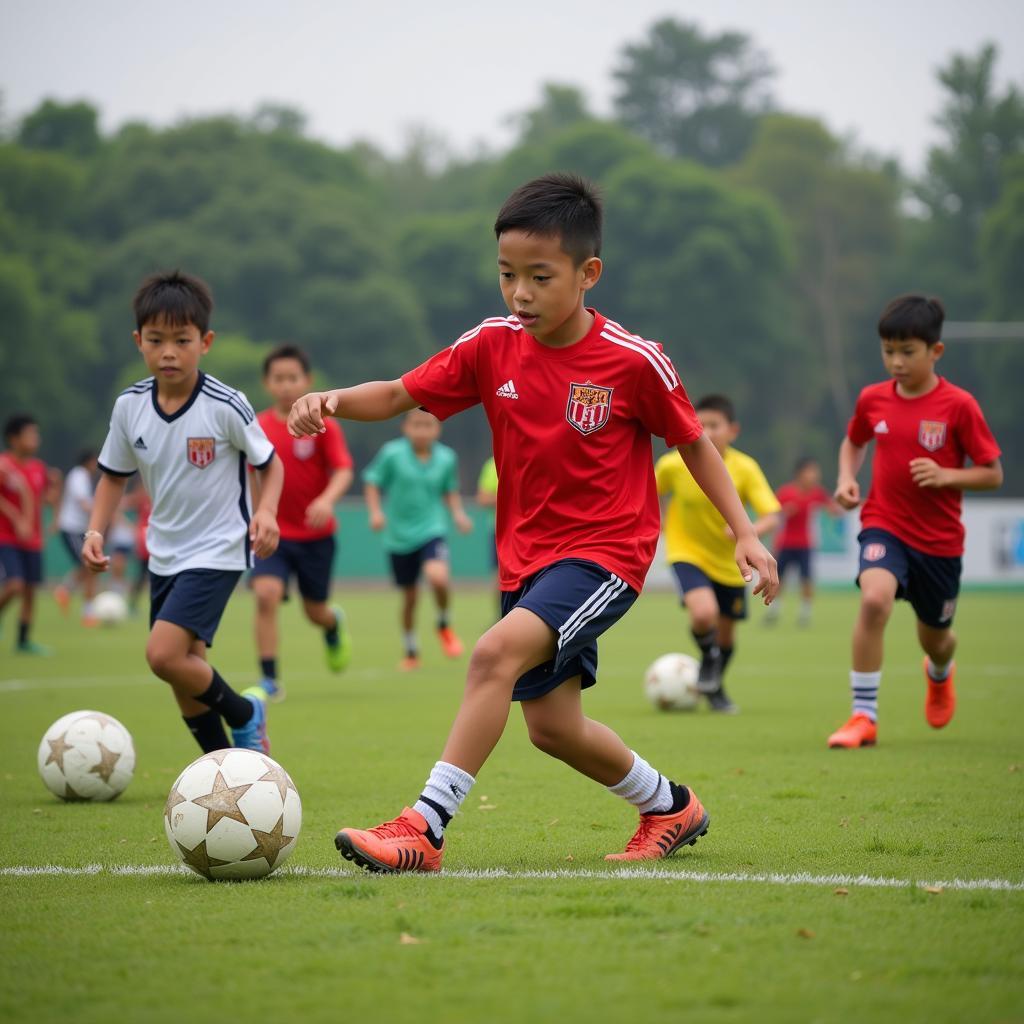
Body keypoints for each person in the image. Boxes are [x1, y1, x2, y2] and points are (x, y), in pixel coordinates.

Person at [289, 173, 778, 872]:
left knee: (490, 655)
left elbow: (693, 440)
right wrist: (331, 400)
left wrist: (745, 532)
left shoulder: (634, 361)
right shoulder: (491, 345)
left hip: (606, 556)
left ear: (588, 274)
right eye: (507, 274)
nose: (520, 293)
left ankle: (423, 829)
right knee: (552, 727)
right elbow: (400, 393)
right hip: (527, 559)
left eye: (540, 277)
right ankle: (671, 806)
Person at [82, 270, 283, 755]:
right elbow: (113, 475)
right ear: (138, 341)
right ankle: (219, 764)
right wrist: (95, 530)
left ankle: (245, 712)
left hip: (218, 549)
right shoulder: (130, 407)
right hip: (164, 552)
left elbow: (269, 463)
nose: (168, 351)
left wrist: (267, 513)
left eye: (181, 340)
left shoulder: (224, 404)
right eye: (156, 340)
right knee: (183, 668)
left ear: (205, 341)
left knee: (162, 655)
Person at [827, 294, 1002, 749]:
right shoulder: (873, 399)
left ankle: (940, 673)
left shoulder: (959, 406)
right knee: (874, 601)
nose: (896, 362)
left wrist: (948, 475)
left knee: (936, 639)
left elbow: (992, 472)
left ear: (935, 351)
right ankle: (863, 717)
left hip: (940, 543)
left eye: (908, 352)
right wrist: (847, 477)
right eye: (888, 351)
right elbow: (853, 442)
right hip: (884, 523)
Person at [655, 394, 781, 714]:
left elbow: (771, 514)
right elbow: (644, 492)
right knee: (703, 614)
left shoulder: (745, 468)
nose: (708, 431)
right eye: (702, 424)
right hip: (688, 552)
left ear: (733, 430)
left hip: (731, 562)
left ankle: (716, 686)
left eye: (715, 425)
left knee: (725, 634)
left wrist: (749, 529)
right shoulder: (673, 463)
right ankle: (709, 662)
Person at [251, 344, 354, 702]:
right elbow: (250, 475)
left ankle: (332, 624)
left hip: (315, 537)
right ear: (267, 383)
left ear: (307, 381)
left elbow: (343, 470)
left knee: (315, 611)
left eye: (292, 378)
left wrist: (326, 500)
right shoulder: (256, 427)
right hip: (273, 534)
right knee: (266, 596)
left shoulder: (323, 424)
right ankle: (269, 680)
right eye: (277, 379)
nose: (285, 386)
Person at [363, 409, 472, 670]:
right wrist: (376, 512)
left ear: (438, 429)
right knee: (410, 597)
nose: (422, 430)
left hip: (432, 529)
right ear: (405, 427)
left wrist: (458, 514)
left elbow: (449, 490)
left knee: (438, 578)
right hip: (399, 537)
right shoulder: (392, 454)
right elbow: (372, 481)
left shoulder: (447, 458)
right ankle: (411, 649)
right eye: (416, 424)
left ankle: (444, 623)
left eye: (428, 425)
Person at [0, 415, 60, 653]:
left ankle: (23, 641)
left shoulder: (38, 468)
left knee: (30, 591)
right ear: (13, 439)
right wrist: (16, 517)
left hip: (33, 539)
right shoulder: (4, 464)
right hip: (6, 537)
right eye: (30, 434)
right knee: (14, 585)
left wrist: (56, 487)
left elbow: (48, 499)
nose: (36, 439)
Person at [765, 456, 841, 627]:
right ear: (800, 473)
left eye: (815, 471)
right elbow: (773, 514)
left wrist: (839, 506)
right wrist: (785, 512)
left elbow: (833, 509)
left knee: (806, 579)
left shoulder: (817, 492)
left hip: (806, 544)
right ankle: (773, 610)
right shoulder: (786, 492)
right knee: (779, 579)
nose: (814, 475)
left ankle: (805, 614)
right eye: (811, 471)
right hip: (785, 543)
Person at [54, 448, 99, 623]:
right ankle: (88, 613)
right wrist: (101, 513)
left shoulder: (84, 477)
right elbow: (83, 503)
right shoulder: (78, 475)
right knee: (90, 566)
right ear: (89, 461)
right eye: (95, 461)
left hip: (81, 529)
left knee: (89, 566)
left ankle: (65, 590)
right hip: (71, 528)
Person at [476, 455, 500, 612]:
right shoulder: (492, 465)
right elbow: (483, 498)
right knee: (500, 577)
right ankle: (502, 616)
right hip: (500, 531)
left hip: (534, 530)